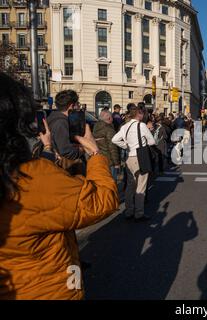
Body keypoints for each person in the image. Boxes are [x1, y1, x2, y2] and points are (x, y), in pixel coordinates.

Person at [0, 73, 119, 300]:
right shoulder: (32, 177)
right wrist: (94, 152)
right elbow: (104, 200)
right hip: (48, 290)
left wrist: (45, 149)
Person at [112, 105, 156, 221]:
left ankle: (129, 210)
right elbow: (152, 141)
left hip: (129, 158)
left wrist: (126, 146)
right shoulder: (141, 125)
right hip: (140, 157)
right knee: (140, 187)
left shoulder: (125, 126)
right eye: (142, 114)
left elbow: (114, 139)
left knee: (130, 186)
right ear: (139, 114)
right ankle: (139, 213)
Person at [46, 90, 86, 175]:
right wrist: (82, 149)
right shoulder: (61, 122)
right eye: (77, 104)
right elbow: (66, 151)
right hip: (67, 170)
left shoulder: (54, 118)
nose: (78, 107)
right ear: (71, 106)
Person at [93, 110, 121, 182]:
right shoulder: (109, 129)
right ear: (109, 118)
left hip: (98, 159)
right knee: (111, 183)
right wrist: (116, 163)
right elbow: (112, 147)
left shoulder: (95, 127)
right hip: (109, 161)